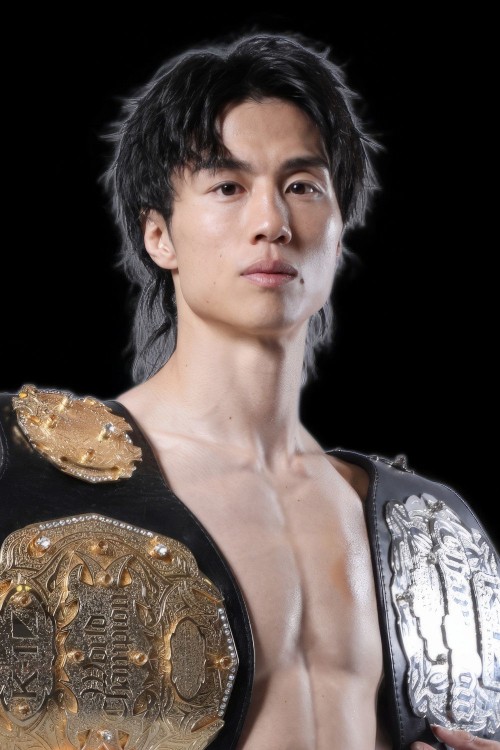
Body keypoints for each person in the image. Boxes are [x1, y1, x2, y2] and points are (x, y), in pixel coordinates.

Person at [0, 30, 498, 750]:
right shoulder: (25, 471)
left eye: (302, 187)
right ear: (159, 236)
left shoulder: (433, 531)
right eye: (227, 187)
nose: (272, 223)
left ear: (339, 232)